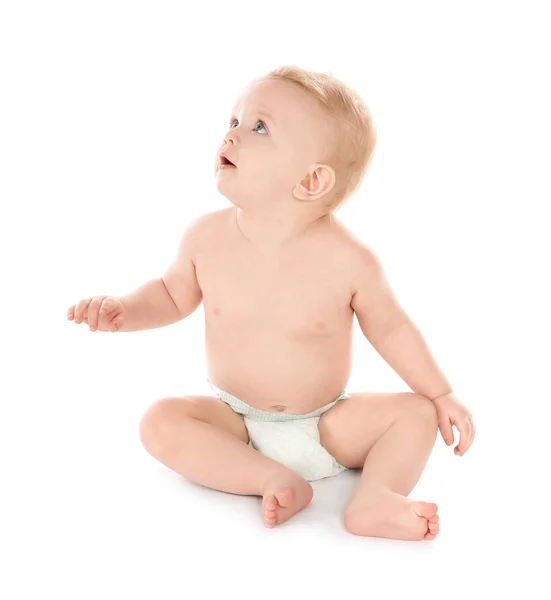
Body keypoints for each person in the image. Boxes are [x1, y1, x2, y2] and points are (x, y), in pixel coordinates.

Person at [67, 66, 476, 541]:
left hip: (328, 425)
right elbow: (170, 294)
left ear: (311, 181)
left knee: (416, 413)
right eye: (235, 120)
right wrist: (125, 310)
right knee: (161, 420)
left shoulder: (349, 260)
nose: (232, 134)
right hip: (237, 421)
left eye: (258, 127)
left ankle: (376, 498)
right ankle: (268, 478)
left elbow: (391, 329)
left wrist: (441, 393)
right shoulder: (206, 238)